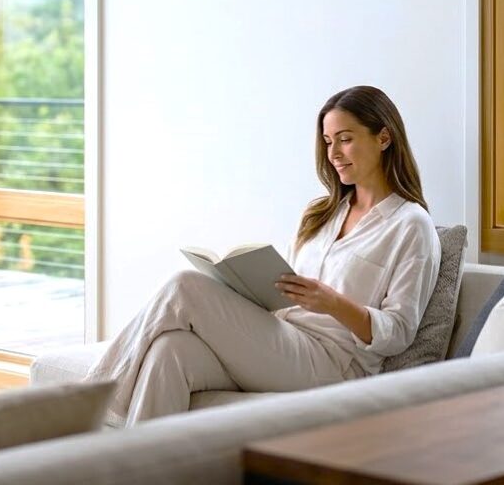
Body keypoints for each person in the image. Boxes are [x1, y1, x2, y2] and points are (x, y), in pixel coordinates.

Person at [86, 85, 441, 426]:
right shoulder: (322, 214)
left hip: (335, 364)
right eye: (329, 142)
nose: (333, 154)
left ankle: (92, 400)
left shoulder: (410, 225)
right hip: (282, 341)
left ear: (383, 138)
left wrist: (332, 302)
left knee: (185, 285)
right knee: (170, 350)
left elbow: (399, 331)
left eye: (345, 139)